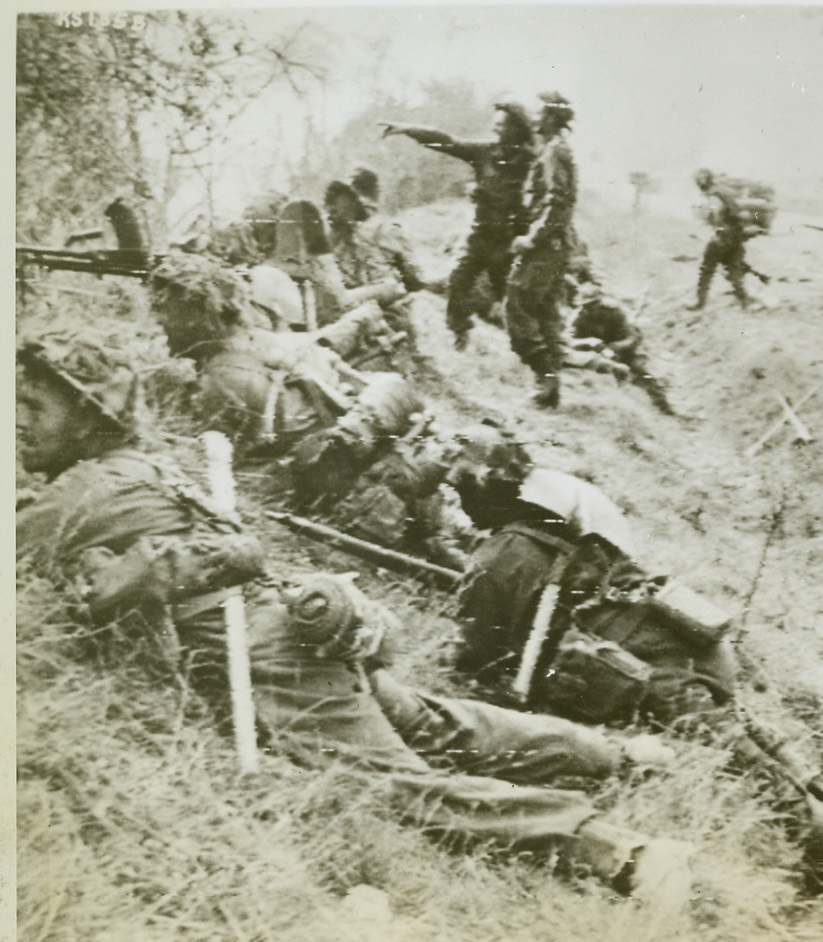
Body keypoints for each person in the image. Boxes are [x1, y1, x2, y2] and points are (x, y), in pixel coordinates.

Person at [15, 334, 695, 904]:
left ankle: (617, 852)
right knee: (434, 722)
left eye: (32, 405)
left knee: (394, 785)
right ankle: (617, 755)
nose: (15, 421)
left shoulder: (78, 495)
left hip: (265, 652)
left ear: (86, 417)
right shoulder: (137, 465)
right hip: (298, 621)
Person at [443, 423, 823, 896]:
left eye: (462, 490)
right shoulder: (563, 520)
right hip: (682, 640)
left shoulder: (497, 558)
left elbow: (469, 661)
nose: (460, 504)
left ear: (483, 490)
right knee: (745, 740)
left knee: (752, 773)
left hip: (644, 671)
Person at [148, 253, 469, 570]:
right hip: (388, 479)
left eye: (166, 311)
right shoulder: (278, 341)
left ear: (197, 314)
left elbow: (232, 474)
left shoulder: (223, 380)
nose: (159, 321)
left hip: (354, 506)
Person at [380, 103, 536, 351]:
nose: (496, 127)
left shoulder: (531, 161)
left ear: (516, 129)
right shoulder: (485, 152)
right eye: (495, 122)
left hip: (509, 243)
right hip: (480, 236)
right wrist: (408, 129)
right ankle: (460, 330)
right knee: (458, 279)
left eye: (502, 124)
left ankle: (535, 348)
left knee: (513, 300)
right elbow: (447, 141)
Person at [506, 92, 577, 409]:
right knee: (546, 311)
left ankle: (544, 378)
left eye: (539, 113)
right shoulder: (554, 150)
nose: (534, 118)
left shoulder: (554, 153)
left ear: (550, 117)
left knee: (517, 300)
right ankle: (550, 390)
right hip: (554, 245)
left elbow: (557, 205)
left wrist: (531, 239)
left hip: (546, 246)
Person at [323, 169, 434, 346]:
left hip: (339, 315)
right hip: (387, 316)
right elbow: (414, 279)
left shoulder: (331, 231)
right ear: (376, 193)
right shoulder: (388, 227)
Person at [566, 280, 676, 415]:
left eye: (594, 304)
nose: (591, 308)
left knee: (644, 374)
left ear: (600, 302)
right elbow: (568, 340)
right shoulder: (578, 318)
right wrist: (590, 343)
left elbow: (633, 337)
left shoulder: (615, 313)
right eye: (587, 305)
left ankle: (664, 406)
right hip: (595, 355)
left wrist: (620, 345)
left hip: (623, 353)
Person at [686, 168, 762, 311]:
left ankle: (700, 303)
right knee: (733, 269)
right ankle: (745, 301)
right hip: (736, 236)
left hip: (722, 236)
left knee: (706, 270)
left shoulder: (713, 196)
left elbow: (716, 214)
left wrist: (716, 228)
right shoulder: (725, 191)